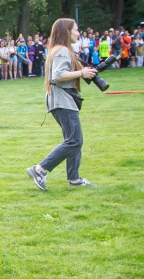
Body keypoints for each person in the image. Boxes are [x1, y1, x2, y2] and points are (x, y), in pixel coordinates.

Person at [25, 19, 98, 191]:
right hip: (62, 100)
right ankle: (40, 169)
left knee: (74, 140)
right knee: (74, 140)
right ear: (67, 32)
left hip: (62, 99)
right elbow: (57, 75)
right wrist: (81, 72)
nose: (78, 33)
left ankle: (74, 178)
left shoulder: (60, 50)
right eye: (76, 30)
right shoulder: (62, 51)